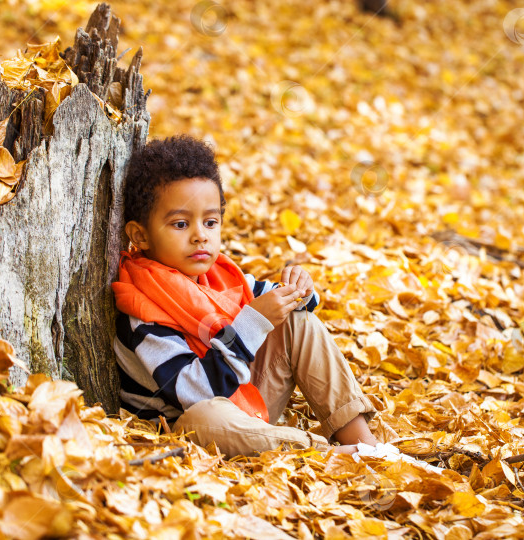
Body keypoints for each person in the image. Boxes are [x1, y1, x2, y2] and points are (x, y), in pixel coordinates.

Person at [110, 134, 381, 458]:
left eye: (210, 222)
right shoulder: (142, 308)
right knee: (203, 419)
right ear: (140, 235)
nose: (200, 236)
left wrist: (300, 288)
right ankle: (322, 454)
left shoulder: (221, 277)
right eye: (181, 224)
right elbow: (194, 393)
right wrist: (253, 322)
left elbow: (296, 304)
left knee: (298, 323)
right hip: (190, 425)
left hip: (245, 401)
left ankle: (367, 447)